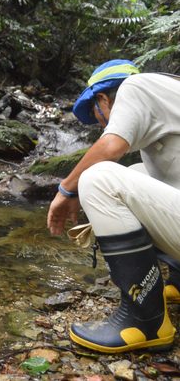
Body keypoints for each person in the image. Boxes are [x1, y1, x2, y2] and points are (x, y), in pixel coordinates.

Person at [47, 59, 180, 353]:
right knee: (138, 173)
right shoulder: (168, 94)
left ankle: (147, 322)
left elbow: (110, 148)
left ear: (103, 99)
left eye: (99, 118)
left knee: (97, 178)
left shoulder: (137, 86)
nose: (101, 125)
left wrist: (66, 190)